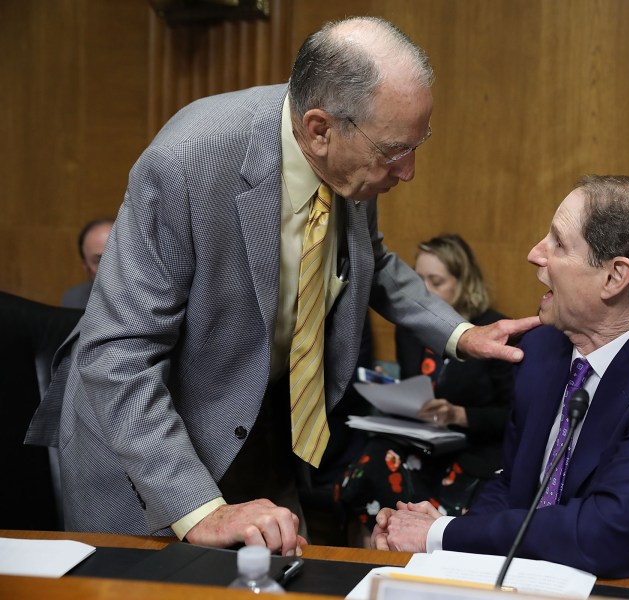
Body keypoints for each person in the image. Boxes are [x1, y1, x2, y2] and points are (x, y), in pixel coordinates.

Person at [26, 16, 539, 556]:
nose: (407, 171)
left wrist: (461, 334)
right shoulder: (186, 161)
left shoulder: (352, 152)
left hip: (263, 429)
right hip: (151, 456)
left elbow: (372, 261)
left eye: (416, 145)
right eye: (395, 151)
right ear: (318, 130)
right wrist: (199, 511)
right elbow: (117, 355)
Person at [371, 175, 629, 579]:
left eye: (558, 243)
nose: (535, 253)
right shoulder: (542, 349)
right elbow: (511, 486)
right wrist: (448, 542)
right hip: (531, 577)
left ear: (615, 277)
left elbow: (606, 536)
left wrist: (441, 533)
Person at [338, 234, 513, 538]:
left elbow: (512, 416)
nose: (426, 291)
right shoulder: (410, 331)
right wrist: (393, 393)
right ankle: (378, 550)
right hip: (423, 444)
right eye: (419, 280)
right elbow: (417, 390)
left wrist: (458, 414)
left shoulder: (494, 332)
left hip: (472, 450)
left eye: (437, 281)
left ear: (464, 283)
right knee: (375, 457)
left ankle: (411, 543)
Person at [60, 218, 114, 309]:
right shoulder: (75, 300)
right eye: (99, 261)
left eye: (119, 256)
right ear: (86, 266)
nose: (112, 267)